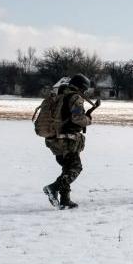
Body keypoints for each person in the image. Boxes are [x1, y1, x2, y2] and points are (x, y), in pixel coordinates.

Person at [43, 74, 97, 209]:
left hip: (54, 138)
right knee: (75, 167)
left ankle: (65, 200)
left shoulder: (59, 95)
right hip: (66, 140)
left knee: (67, 168)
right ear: (82, 87)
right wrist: (88, 120)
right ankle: (53, 188)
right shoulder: (75, 97)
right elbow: (77, 118)